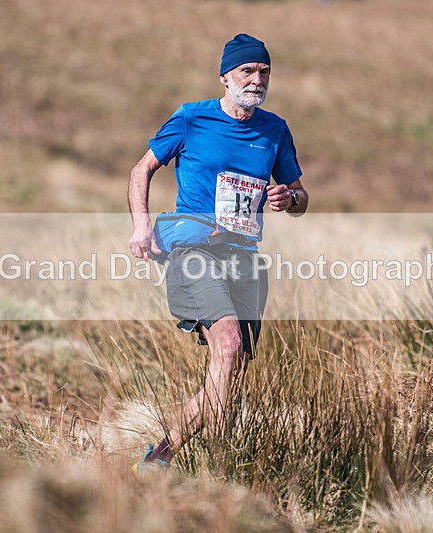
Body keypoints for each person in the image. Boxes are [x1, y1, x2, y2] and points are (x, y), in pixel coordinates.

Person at [127, 33, 308, 471]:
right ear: (225, 77)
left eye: (264, 71)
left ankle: (159, 457)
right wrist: (141, 225)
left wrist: (289, 200)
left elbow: (300, 196)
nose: (257, 79)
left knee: (234, 368)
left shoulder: (275, 130)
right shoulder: (191, 119)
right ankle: (220, 467)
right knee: (227, 347)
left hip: (244, 258)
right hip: (195, 250)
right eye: (248, 70)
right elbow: (142, 169)